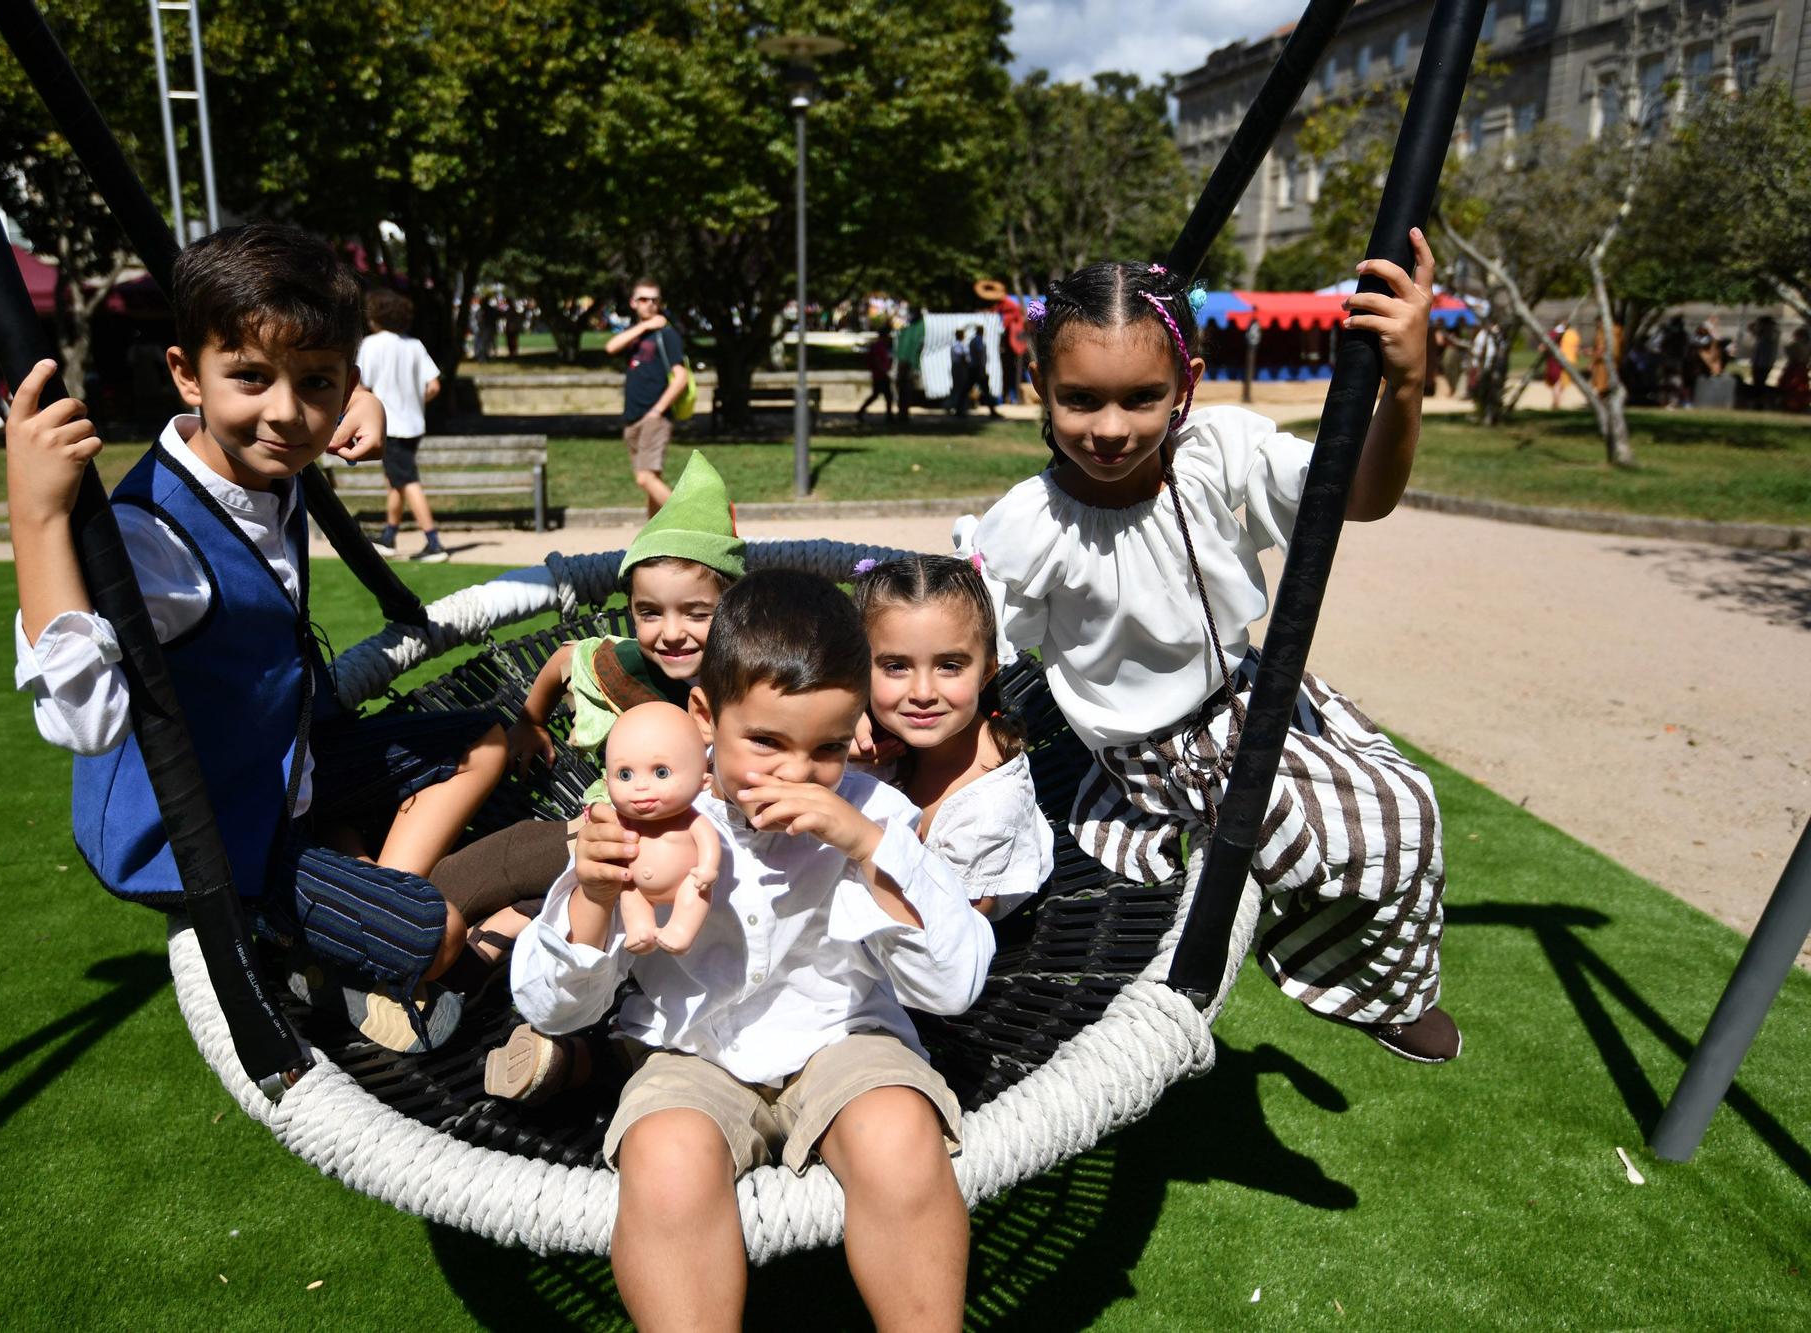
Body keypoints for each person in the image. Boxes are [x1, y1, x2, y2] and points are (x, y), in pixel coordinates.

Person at [6, 222, 509, 1054]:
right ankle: (328, 932)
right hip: (208, 828)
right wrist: (37, 516)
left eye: (316, 383)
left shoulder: (268, 456)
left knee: (491, 735)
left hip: (283, 761)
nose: (285, 412)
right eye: (248, 377)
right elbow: (84, 723)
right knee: (437, 934)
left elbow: (305, 400)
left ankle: (360, 886)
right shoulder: (149, 537)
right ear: (186, 374)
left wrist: (361, 399)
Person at [967, 233, 1460, 1064]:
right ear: (1039, 389)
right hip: (1163, 747)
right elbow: (976, 649)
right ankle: (1373, 985)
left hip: (1252, 688)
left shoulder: (1220, 452)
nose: (1112, 429)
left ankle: (1384, 976)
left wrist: (1404, 382)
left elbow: (1363, 496)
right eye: (1081, 399)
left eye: (1143, 397)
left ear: (1186, 386)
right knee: (1387, 826)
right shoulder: (1030, 523)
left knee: (1409, 791)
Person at [511, 569, 994, 1330]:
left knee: (900, 1135)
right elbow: (549, 1002)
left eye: (828, 747)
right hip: (691, 1050)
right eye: (766, 741)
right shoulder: (651, 817)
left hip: (844, 1035)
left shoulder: (875, 815)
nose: (798, 774)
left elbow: (955, 982)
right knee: (666, 1161)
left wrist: (866, 847)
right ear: (704, 716)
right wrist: (596, 895)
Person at [421, 453, 746, 1021]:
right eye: (649, 613)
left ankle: (465, 960)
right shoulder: (623, 665)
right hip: (611, 821)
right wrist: (531, 720)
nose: (671, 633)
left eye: (697, 613)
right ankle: (427, 918)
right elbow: (564, 660)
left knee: (545, 879)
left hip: (675, 849)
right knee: (527, 855)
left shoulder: (746, 682)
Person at [851, 553, 1053, 920]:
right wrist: (828, 745)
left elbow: (948, 932)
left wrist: (862, 838)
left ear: (987, 671)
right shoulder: (869, 737)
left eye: (949, 666)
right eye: (896, 666)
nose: (923, 692)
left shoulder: (988, 809)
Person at [357, 289, 448, 563]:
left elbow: (361, 385)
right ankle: (389, 536)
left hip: (391, 426)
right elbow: (434, 385)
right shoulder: (414, 345)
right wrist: (415, 402)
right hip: (413, 424)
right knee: (395, 481)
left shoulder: (372, 345)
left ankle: (434, 542)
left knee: (407, 481)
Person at [604, 278, 690, 515]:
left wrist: (657, 410)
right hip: (633, 418)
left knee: (645, 478)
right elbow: (610, 347)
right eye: (644, 299)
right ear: (633, 302)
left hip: (654, 417)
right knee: (652, 484)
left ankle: (694, 516)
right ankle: (655, 542)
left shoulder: (667, 335)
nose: (650, 304)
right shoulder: (637, 334)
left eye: (655, 300)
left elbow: (680, 377)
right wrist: (644, 327)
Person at [857, 328, 894, 423]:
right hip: (880, 375)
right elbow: (877, 360)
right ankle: (889, 416)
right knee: (885, 396)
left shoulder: (881, 346)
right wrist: (883, 370)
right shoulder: (879, 346)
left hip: (880, 374)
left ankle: (861, 412)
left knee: (880, 395)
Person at [894, 314, 925, 423]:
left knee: (904, 396)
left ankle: (902, 415)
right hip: (905, 372)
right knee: (905, 396)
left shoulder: (905, 333)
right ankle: (902, 416)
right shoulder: (909, 333)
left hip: (904, 371)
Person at [968, 324, 1002, 418]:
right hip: (978, 369)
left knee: (967, 388)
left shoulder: (973, 340)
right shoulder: (978, 341)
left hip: (974, 368)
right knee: (986, 390)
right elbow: (980, 356)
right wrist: (982, 370)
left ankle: (959, 408)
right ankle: (992, 411)